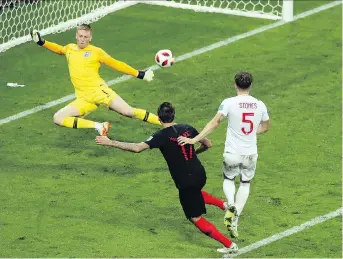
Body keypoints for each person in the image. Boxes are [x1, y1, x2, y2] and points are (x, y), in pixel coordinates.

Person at [96, 102, 238, 254]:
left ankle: (230, 246)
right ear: (174, 114)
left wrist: (110, 142)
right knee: (195, 193)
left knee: (194, 217)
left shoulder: (161, 136)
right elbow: (208, 144)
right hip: (199, 173)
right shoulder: (187, 128)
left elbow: (137, 148)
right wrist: (193, 154)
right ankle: (224, 206)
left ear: (158, 118)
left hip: (185, 181)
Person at [178, 72, 270, 238]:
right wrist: (249, 134)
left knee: (228, 179)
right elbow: (265, 127)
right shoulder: (260, 105)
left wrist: (195, 140)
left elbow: (215, 123)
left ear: (235, 85)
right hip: (250, 153)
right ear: (251, 86)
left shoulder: (229, 103)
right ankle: (235, 218)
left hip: (232, 153)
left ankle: (231, 204)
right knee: (245, 183)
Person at [30, 24, 160, 136]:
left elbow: (116, 64)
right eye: (80, 36)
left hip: (100, 92)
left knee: (129, 112)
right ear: (76, 36)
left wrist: (139, 74)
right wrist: (42, 42)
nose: (82, 39)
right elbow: (59, 49)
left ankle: (164, 122)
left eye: (85, 37)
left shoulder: (96, 52)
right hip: (83, 99)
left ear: (90, 38)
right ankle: (99, 126)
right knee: (58, 118)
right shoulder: (70, 48)